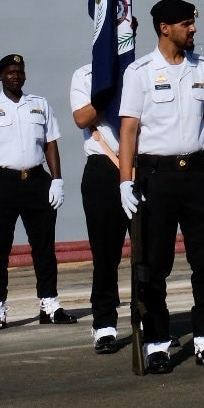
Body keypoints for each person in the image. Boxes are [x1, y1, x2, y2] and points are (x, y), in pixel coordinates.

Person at [118, 0, 204, 373]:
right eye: (186, 23)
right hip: (157, 178)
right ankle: (156, 341)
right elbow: (129, 130)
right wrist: (125, 181)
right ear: (165, 28)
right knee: (154, 265)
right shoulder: (139, 72)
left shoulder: (203, 68)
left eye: (192, 22)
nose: (193, 28)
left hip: (198, 175)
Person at [0, 53, 70, 331]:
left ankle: (49, 303)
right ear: (0, 76)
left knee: (44, 247)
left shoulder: (40, 105)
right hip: (2, 184)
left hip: (36, 181)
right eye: (10, 72)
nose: (16, 75)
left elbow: (51, 144)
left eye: (20, 71)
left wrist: (57, 180)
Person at [68, 19, 137, 354]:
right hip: (103, 170)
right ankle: (105, 324)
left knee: (150, 253)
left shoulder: (144, 71)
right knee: (106, 255)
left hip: (142, 169)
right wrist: (108, 89)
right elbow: (81, 118)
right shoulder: (85, 75)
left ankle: (147, 317)